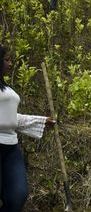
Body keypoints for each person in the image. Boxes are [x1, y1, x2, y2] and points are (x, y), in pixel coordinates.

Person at [0, 45, 55, 211]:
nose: (10, 64)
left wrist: (41, 121)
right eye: (6, 60)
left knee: (18, 195)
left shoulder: (6, 88)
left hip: (10, 147)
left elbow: (11, 118)